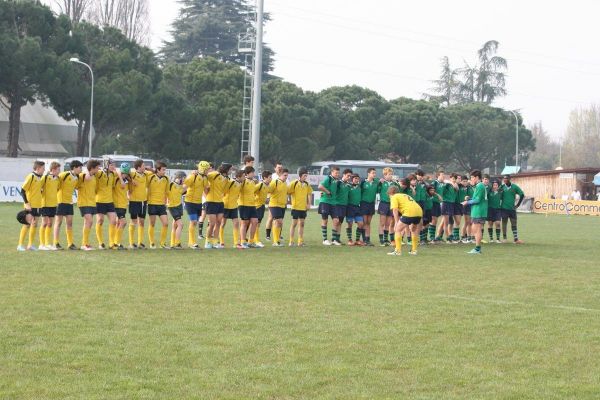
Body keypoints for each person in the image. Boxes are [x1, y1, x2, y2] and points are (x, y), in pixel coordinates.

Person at [53, 160, 83, 250]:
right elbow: (55, 184)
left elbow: (77, 187)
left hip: (69, 202)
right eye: (80, 168)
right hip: (61, 202)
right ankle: (56, 243)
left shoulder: (77, 177)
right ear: (74, 168)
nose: (81, 169)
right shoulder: (64, 175)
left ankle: (70, 244)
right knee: (58, 222)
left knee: (69, 223)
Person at [387, 184, 423, 256]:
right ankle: (414, 250)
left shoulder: (394, 196)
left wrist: (397, 222)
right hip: (419, 212)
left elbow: (395, 209)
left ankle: (397, 251)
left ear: (390, 192)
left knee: (397, 230)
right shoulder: (405, 195)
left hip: (409, 212)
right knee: (413, 230)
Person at [17, 160, 45, 251]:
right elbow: (22, 191)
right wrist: (27, 203)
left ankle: (30, 245)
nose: (44, 170)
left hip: (38, 205)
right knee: (27, 224)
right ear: (38, 168)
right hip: (30, 205)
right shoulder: (31, 176)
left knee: (34, 224)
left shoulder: (40, 178)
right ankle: (20, 245)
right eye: (43, 168)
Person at [205, 163, 232, 249]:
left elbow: (225, 190)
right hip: (211, 201)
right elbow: (205, 176)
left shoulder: (227, 179)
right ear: (226, 169)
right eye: (230, 169)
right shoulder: (215, 174)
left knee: (219, 223)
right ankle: (208, 241)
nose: (231, 171)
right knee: (212, 223)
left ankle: (215, 242)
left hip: (220, 202)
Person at [462, 170, 488, 255]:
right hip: (478, 211)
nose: (471, 179)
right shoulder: (479, 186)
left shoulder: (480, 186)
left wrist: (467, 202)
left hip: (478, 211)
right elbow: (476, 198)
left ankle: (477, 249)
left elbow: (477, 200)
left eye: (472, 177)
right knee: (475, 229)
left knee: (476, 230)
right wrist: (469, 199)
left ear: (477, 177)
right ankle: (477, 248)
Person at [77, 159, 101, 251]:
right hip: (83, 202)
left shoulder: (94, 177)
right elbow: (85, 179)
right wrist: (87, 171)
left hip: (91, 202)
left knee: (88, 223)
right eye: (97, 168)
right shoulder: (83, 175)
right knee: (90, 221)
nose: (98, 169)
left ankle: (85, 243)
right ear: (92, 168)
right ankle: (84, 244)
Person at [185, 161, 210, 249]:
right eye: (207, 169)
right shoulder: (193, 176)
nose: (208, 171)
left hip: (198, 202)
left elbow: (206, 189)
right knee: (194, 221)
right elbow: (184, 186)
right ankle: (192, 243)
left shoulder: (205, 178)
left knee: (194, 222)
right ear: (202, 169)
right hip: (190, 201)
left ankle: (190, 242)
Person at [128, 159, 151, 249]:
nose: (144, 167)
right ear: (138, 167)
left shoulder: (146, 174)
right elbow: (123, 173)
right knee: (133, 221)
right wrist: (131, 180)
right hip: (134, 201)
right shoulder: (133, 174)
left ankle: (140, 242)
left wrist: (149, 169)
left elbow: (154, 172)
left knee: (141, 221)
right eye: (143, 165)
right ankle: (131, 243)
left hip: (143, 201)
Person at [94, 159, 118, 250]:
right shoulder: (99, 174)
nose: (114, 167)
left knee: (113, 221)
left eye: (114, 165)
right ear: (106, 165)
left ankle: (112, 243)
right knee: (100, 220)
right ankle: (101, 243)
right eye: (112, 165)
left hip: (110, 201)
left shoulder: (112, 174)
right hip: (99, 201)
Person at [146, 161, 170, 249]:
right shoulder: (150, 177)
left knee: (166, 223)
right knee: (152, 224)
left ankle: (162, 243)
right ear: (158, 170)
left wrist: (167, 203)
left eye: (165, 170)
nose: (165, 171)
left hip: (161, 205)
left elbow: (167, 192)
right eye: (163, 170)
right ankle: (152, 242)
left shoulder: (166, 179)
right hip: (152, 204)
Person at [288, 168, 313, 247]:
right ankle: (291, 241)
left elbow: (309, 193)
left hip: (303, 208)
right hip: (295, 207)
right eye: (305, 176)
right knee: (294, 224)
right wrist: (290, 201)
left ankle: (300, 241)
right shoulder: (294, 183)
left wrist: (309, 204)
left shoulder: (307, 184)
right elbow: (288, 191)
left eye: (306, 176)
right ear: (300, 175)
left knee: (302, 224)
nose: (306, 177)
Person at [39, 161, 60, 251]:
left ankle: (47, 243)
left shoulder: (58, 179)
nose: (59, 171)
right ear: (53, 169)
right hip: (44, 204)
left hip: (53, 204)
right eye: (58, 169)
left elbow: (58, 188)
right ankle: (41, 244)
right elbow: (39, 187)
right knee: (44, 223)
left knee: (50, 223)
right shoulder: (45, 177)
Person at [221, 169, 243, 249]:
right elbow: (223, 191)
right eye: (243, 176)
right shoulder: (231, 182)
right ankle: (221, 241)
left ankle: (236, 243)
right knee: (223, 223)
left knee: (236, 223)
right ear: (238, 177)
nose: (244, 178)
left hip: (234, 206)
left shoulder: (240, 183)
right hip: (226, 205)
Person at [238, 166, 259, 249]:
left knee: (255, 221)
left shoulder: (253, 182)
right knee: (244, 223)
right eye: (252, 173)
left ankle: (251, 241)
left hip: (252, 205)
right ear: (247, 174)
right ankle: (243, 241)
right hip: (243, 205)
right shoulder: (243, 181)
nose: (254, 174)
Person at [318, 166, 339, 246]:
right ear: (332, 172)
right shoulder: (328, 179)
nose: (337, 174)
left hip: (333, 203)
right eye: (336, 173)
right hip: (325, 202)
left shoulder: (336, 180)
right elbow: (320, 186)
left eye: (338, 173)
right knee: (325, 220)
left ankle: (333, 239)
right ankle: (325, 240)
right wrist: (327, 192)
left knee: (336, 220)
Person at [435, 172, 459, 243]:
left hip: (451, 204)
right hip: (446, 203)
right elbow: (442, 185)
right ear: (450, 178)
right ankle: (448, 238)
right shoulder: (447, 184)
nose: (454, 180)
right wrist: (448, 182)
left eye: (455, 179)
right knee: (446, 222)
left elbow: (457, 188)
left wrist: (453, 183)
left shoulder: (454, 185)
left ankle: (438, 237)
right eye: (453, 178)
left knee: (445, 222)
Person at [500, 174, 525, 244]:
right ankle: (504, 239)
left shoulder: (514, 187)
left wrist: (517, 205)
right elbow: (498, 195)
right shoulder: (501, 187)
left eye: (506, 178)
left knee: (514, 224)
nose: (505, 179)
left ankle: (516, 239)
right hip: (504, 208)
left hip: (512, 209)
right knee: (504, 223)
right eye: (504, 178)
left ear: (509, 179)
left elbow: (522, 194)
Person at [268, 168, 289, 247]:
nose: (286, 177)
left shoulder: (285, 183)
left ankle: (277, 241)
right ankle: (275, 241)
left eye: (287, 175)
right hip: (274, 205)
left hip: (282, 206)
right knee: (279, 222)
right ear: (280, 174)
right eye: (285, 175)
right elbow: (268, 190)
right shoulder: (275, 182)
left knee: (279, 223)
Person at [377, 167, 398, 246]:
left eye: (391, 174)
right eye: (389, 174)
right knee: (382, 223)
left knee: (388, 224)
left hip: (391, 204)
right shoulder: (382, 183)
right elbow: (378, 190)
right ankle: (381, 240)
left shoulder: (394, 183)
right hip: (383, 204)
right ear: (384, 175)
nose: (390, 176)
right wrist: (379, 183)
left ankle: (386, 239)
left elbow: (397, 191)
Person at [112, 163, 130, 250]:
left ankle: (116, 243)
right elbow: (115, 171)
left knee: (119, 223)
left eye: (126, 174)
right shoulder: (116, 178)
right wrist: (119, 175)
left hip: (123, 205)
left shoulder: (127, 180)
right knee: (123, 222)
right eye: (124, 173)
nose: (125, 175)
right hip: (117, 205)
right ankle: (116, 243)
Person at [253, 170, 272, 248]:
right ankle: (256, 240)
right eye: (270, 177)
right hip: (257, 206)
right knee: (256, 224)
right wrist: (255, 199)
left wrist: (267, 199)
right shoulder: (260, 185)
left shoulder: (267, 186)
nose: (271, 179)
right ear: (265, 178)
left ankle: (253, 239)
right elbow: (251, 191)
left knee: (258, 224)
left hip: (262, 206)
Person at [168, 171, 187, 250]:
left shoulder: (181, 186)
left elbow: (183, 191)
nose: (184, 180)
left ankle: (172, 243)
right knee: (180, 225)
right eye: (183, 178)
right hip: (173, 207)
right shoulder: (171, 184)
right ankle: (177, 243)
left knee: (175, 225)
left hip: (178, 206)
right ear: (179, 178)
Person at [265, 161, 284, 240]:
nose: (280, 169)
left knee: (280, 220)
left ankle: (278, 234)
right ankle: (268, 235)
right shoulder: (272, 177)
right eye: (278, 167)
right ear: (275, 168)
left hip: (281, 202)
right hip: (273, 200)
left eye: (281, 168)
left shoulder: (284, 177)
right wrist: (267, 197)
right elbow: (268, 188)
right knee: (270, 218)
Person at [360, 167, 378, 246]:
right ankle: (364, 240)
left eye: (375, 173)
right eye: (373, 173)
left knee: (368, 223)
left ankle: (368, 240)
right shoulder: (363, 182)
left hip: (371, 204)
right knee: (364, 222)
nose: (374, 174)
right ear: (368, 174)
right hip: (364, 203)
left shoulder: (376, 182)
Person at [334, 169, 353, 246]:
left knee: (340, 222)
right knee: (336, 221)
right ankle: (334, 239)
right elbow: (332, 190)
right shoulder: (338, 183)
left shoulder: (349, 185)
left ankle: (337, 239)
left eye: (350, 176)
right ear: (343, 175)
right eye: (348, 176)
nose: (349, 177)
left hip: (344, 206)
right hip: (337, 205)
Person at [347, 174, 364, 246]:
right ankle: (350, 240)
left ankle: (357, 240)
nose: (357, 180)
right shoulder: (348, 186)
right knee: (350, 224)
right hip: (349, 207)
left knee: (360, 223)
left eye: (358, 179)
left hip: (357, 207)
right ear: (352, 179)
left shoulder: (360, 187)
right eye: (355, 178)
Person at [484, 180, 502, 244]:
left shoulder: (501, 192)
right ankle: (491, 239)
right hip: (490, 209)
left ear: (498, 186)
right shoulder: (489, 192)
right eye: (494, 185)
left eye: (496, 185)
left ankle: (498, 239)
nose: (495, 186)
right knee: (490, 224)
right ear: (492, 186)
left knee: (498, 223)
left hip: (498, 210)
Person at [429, 170, 445, 242]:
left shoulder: (443, 184)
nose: (443, 176)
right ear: (438, 176)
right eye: (442, 175)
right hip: (433, 202)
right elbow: (430, 190)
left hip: (438, 203)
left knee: (435, 220)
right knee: (433, 220)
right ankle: (431, 237)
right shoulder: (434, 182)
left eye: (443, 175)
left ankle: (434, 237)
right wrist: (437, 195)